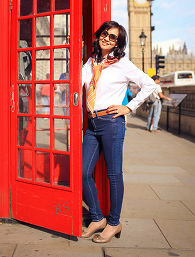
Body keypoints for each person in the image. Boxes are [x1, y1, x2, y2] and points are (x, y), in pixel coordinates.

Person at [81, 21, 156, 243]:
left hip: (111, 123)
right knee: (83, 172)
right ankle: (97, 218)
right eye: (105, 33)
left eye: (113, 37)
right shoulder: (91, 61)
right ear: (98, 35)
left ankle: (114, 222)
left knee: (113, 175)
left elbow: (150, 84)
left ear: (118, 42)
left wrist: (129, 107)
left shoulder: (122, 63)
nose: (107, 38)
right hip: (92, 124)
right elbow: (79, 84)